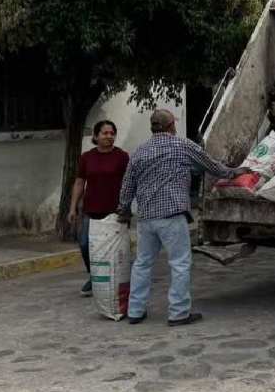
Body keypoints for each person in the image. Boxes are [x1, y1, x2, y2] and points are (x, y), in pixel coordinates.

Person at [118, 109, 247, 326]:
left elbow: (127, 185)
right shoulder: (182, 145)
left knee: (142, 263)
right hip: (171, 215)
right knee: (179, 263)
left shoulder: (139, 152)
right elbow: (211, 164)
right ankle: (178, 312)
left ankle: (135, 311)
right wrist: (234, 172)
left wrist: (123, 209)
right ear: (171, 126)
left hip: (146, 217)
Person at [67, 120, 129, 297]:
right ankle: (94, 277)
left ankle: (119, 279)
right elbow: (79, 182)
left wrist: (126, 206)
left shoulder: (122, 156)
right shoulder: (87, 157)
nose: (109, 136)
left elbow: (129, 182)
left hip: (115, 210)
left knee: (116, 249)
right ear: (96, 136)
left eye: (112, 133)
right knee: (86, 245)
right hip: (91, 209)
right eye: (105, 133)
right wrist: (72, 208)